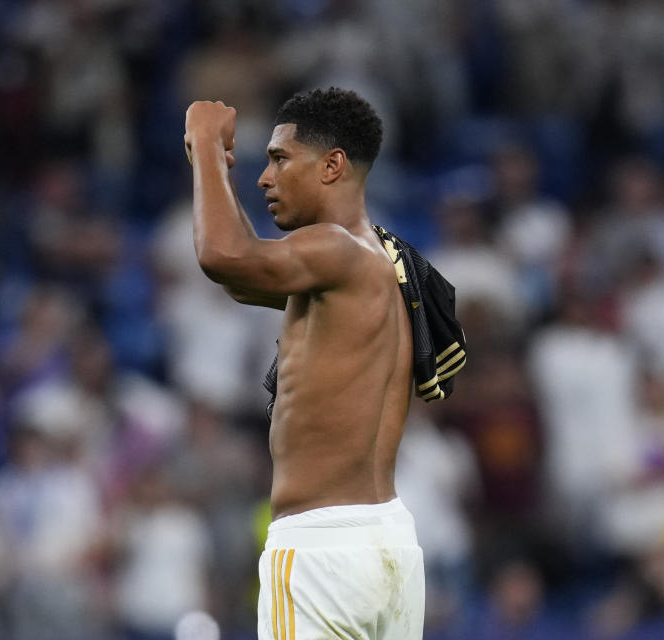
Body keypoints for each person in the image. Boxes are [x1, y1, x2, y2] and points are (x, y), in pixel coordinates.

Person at [184, 87, 462, 639]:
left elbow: (224, 256)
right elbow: (244, 279)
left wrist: (207, 145)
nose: (264, 177)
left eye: (280, 158)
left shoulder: (333, 249)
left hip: (319, 548)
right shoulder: (383, 260)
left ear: (333, 165)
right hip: (389, 545)